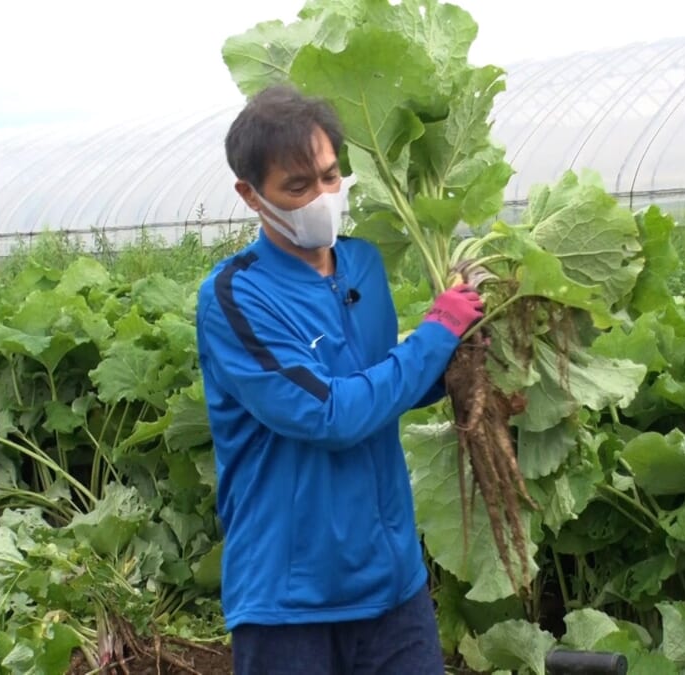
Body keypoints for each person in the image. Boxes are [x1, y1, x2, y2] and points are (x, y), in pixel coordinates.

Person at [195, 84, 482, 675]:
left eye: (329, 177)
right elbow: (330, 414)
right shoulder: (235, 296)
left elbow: (381, 385)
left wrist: (464, 363)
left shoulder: (363, 265)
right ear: (250, 195)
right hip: (289, 599)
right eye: (297, 187)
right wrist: (436, 333)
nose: (321, 197)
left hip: (391, 584)